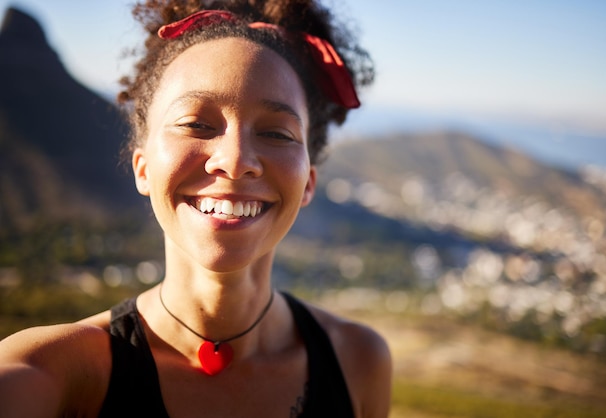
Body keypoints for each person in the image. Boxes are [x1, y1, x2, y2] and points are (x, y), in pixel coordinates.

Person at [0, 0, 392, 416]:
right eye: (196, 124)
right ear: (144, 168)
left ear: (308, 182)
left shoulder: (359, 362)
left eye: (277, 133)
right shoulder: (49, 375)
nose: (236, 159)